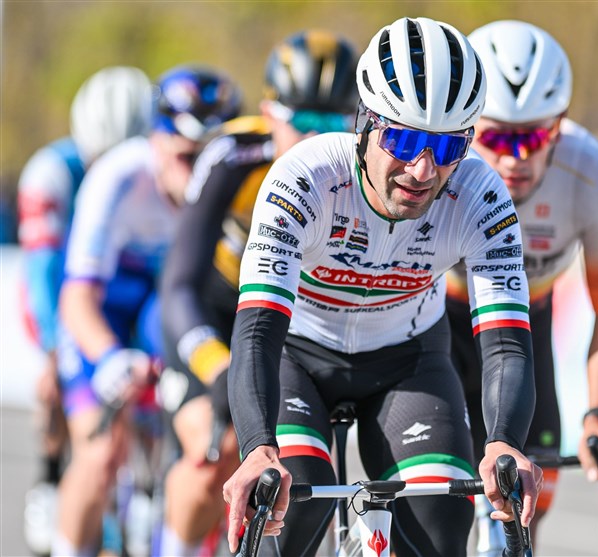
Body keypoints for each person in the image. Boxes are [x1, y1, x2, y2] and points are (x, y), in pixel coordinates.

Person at [222, 17, 544, 557]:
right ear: (365, 123)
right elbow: (256, 330)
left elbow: (507, 342)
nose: (422, 170)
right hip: (297, 359)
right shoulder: (304, 179)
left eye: (447, 147)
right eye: (404, 139)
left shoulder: (481, 196)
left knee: (441, 525)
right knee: (287, 507)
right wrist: (257, 447)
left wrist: (504, 442)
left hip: (408, 362)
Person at [157, 30, 359, 556]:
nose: (318, 137)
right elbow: (178, 285)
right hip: (216, 314)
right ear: (269, 114)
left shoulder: (366, 168)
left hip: (289, 325)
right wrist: (219, 368)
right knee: (213, 457)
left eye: (333, 123)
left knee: (296, 466)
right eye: (303, 122)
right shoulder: (234, 155)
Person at [446, 20, 598, 552]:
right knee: (437, 507)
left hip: (525, 327)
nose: (515, 157)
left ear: (560, 126)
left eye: (533, 137)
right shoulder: (438, 164)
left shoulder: (594, 178)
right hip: (439, 322)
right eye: (496, 137)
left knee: (527, 508)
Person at [51, 64, 242, 557]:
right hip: (106, 310)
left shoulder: (233, 184)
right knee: (99, 454)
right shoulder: (117, 178)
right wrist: (109, 357)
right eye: (185, 157)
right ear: (155, 140)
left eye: (208, 159)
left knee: (212, 447)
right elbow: (77, 298)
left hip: (168, 310)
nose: (199, 173)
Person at [16, 66, 153, 556]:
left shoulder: (158, 168)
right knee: (64, 394)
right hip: (67, 290)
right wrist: (54, 350)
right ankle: (50, 475)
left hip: (127, 292)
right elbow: (43, 274)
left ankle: (143, 494)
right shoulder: (49, 174)